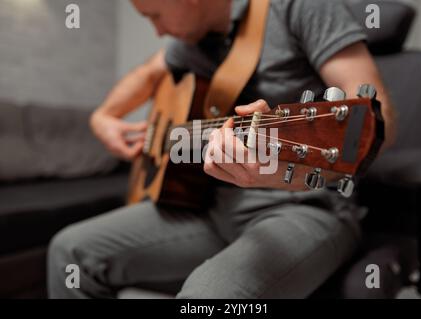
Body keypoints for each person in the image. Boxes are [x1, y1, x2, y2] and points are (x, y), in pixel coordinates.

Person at [47, 0, 396, 299]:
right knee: (71, 252)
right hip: (210, 207)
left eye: (155, 15)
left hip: (306, 207)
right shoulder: (192, 40)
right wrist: (103, 117)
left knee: (207, 297)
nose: (157, 31)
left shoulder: (298, 6)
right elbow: (148, 74)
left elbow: (380, 121)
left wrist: (275, 169)